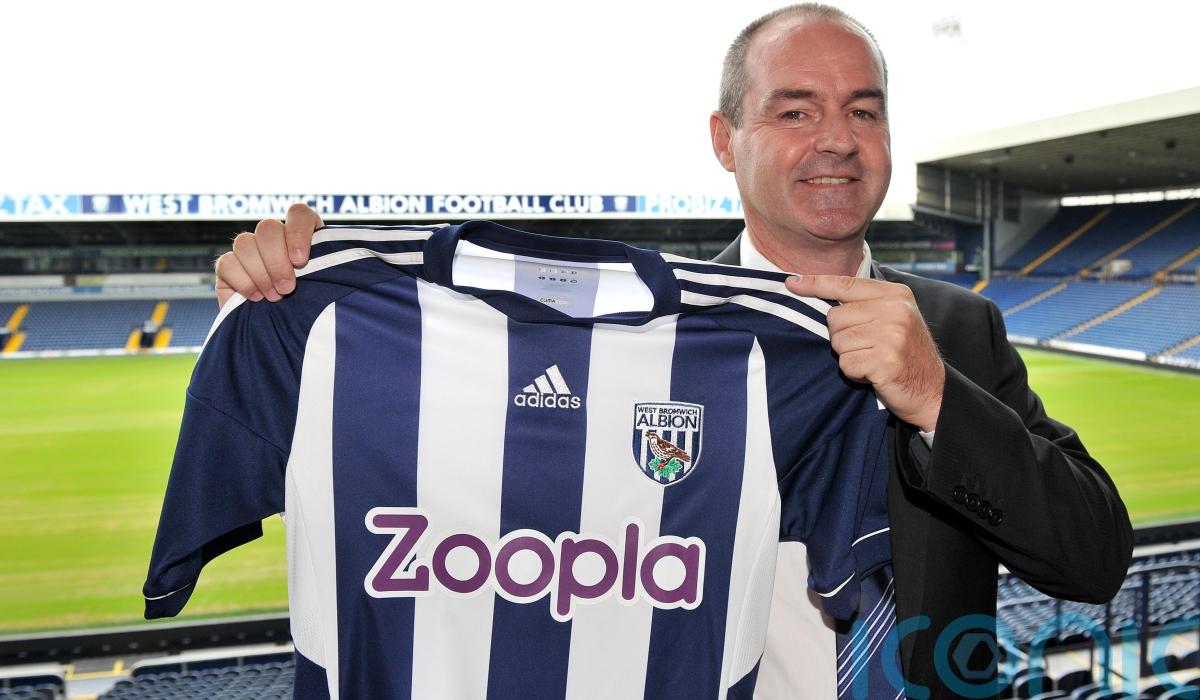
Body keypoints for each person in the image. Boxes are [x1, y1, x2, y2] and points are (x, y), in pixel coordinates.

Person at [213, 4, 1133, 697]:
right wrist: (280, 315)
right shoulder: (636, 338)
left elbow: (1094, 558)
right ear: (725, 142)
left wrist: (936, 397)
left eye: (864, 111)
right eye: (796, 112)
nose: (838, 141)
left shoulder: (960, 330)